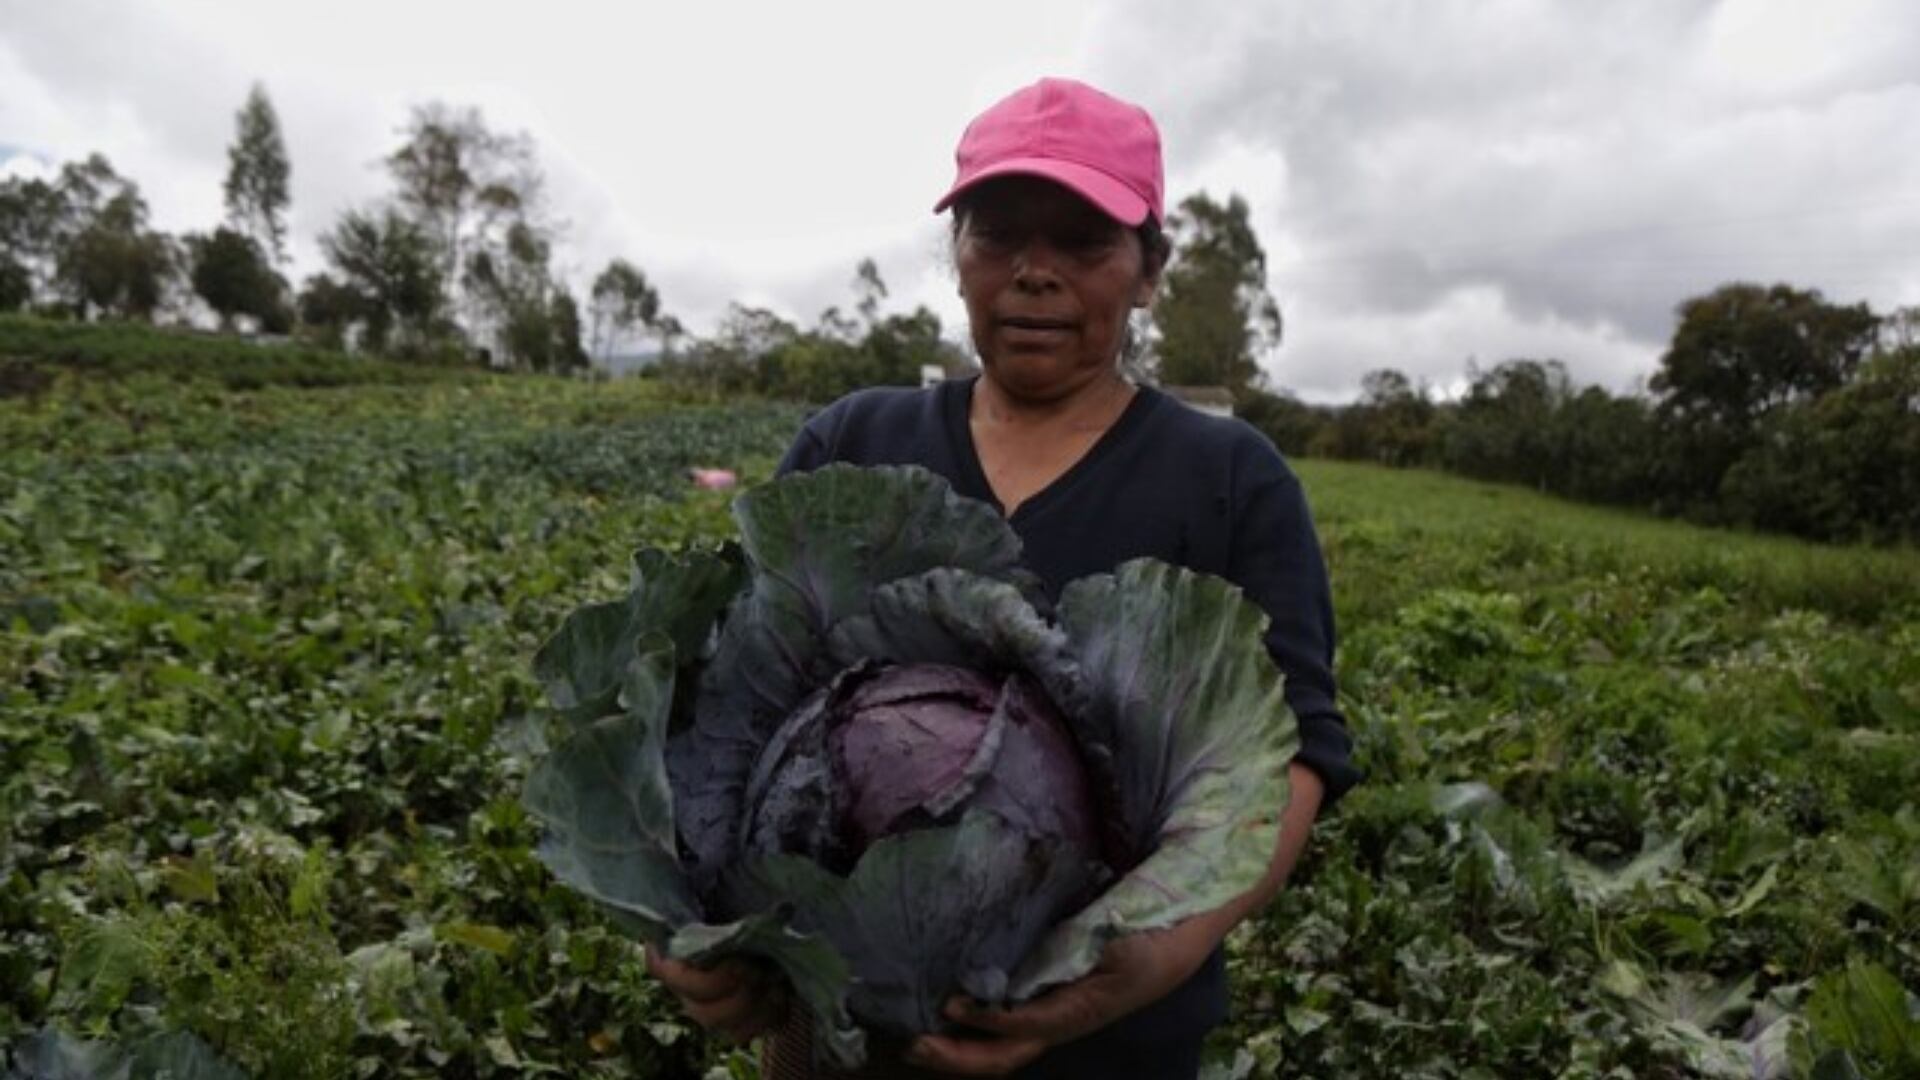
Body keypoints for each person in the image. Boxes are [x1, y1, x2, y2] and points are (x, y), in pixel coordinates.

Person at [648, 76, 1361, 1079]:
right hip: (835, 1034)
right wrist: (691, 925)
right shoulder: (852, 446)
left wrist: (1138, 964)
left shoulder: (1232, 481)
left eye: (1081, 241)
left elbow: (1291, 755)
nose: (1033, 275)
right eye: (998, 236)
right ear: (959, 256)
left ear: (1150, 268)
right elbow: (728, 709)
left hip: (1112, 1044)